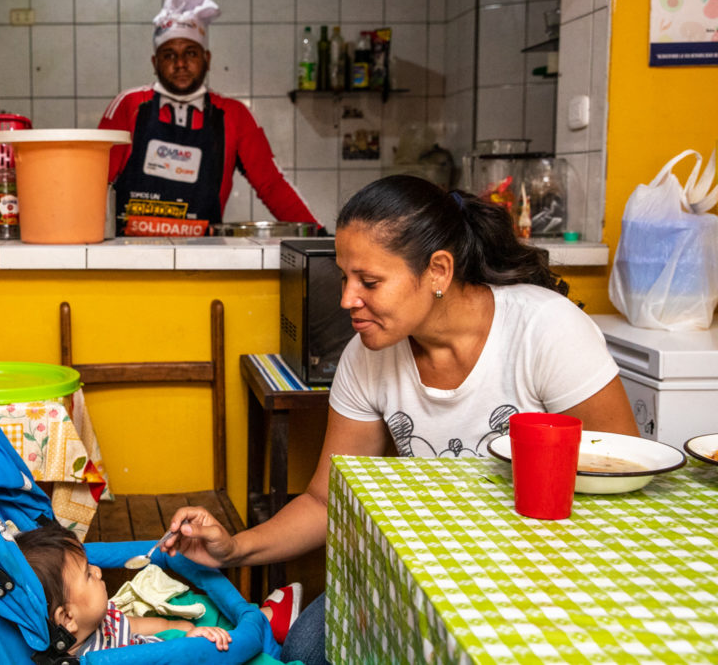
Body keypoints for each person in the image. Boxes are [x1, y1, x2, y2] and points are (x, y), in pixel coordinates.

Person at [159, 174, 639, 665]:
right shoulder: (366, 355)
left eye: (369, 282)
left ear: (438, 271)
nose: (347, 299)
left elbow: (621, 470)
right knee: (308, 648)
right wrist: (233, 549)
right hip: (422, 566)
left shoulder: (547, 331)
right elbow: (327, 500)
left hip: (536, 566)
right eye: (344, 277)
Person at [98, 0, 320, 238]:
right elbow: (94, 180)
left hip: (203, 260)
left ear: (208, 59)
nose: (180, 63)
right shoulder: (129, 105)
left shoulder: (234, 115)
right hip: (129, 259)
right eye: (169, 55)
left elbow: (272, 185)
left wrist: (321, 238)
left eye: (190, 53)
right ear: (154, 62)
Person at [15, 521, 302, 655]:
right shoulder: (90, 658)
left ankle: (265, 616)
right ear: (67, 618)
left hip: (170, 643)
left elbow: (137, 624)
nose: (99, 571)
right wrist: (190, 642)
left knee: (200, 607)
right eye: (88, 575)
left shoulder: (99, 619)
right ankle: (267, 619)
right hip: (174, 657)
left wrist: (183, 628)